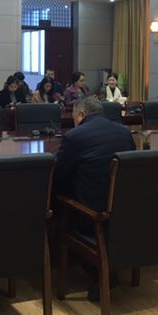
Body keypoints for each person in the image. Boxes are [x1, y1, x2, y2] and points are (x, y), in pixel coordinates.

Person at [53, 97, 136, 300]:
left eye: (74, 117)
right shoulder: (124, 132)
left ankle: (101, 274)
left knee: (55, 206)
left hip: (92, 217)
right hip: (124, 212)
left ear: (81, 114)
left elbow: (59, 176)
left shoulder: (74, 136)